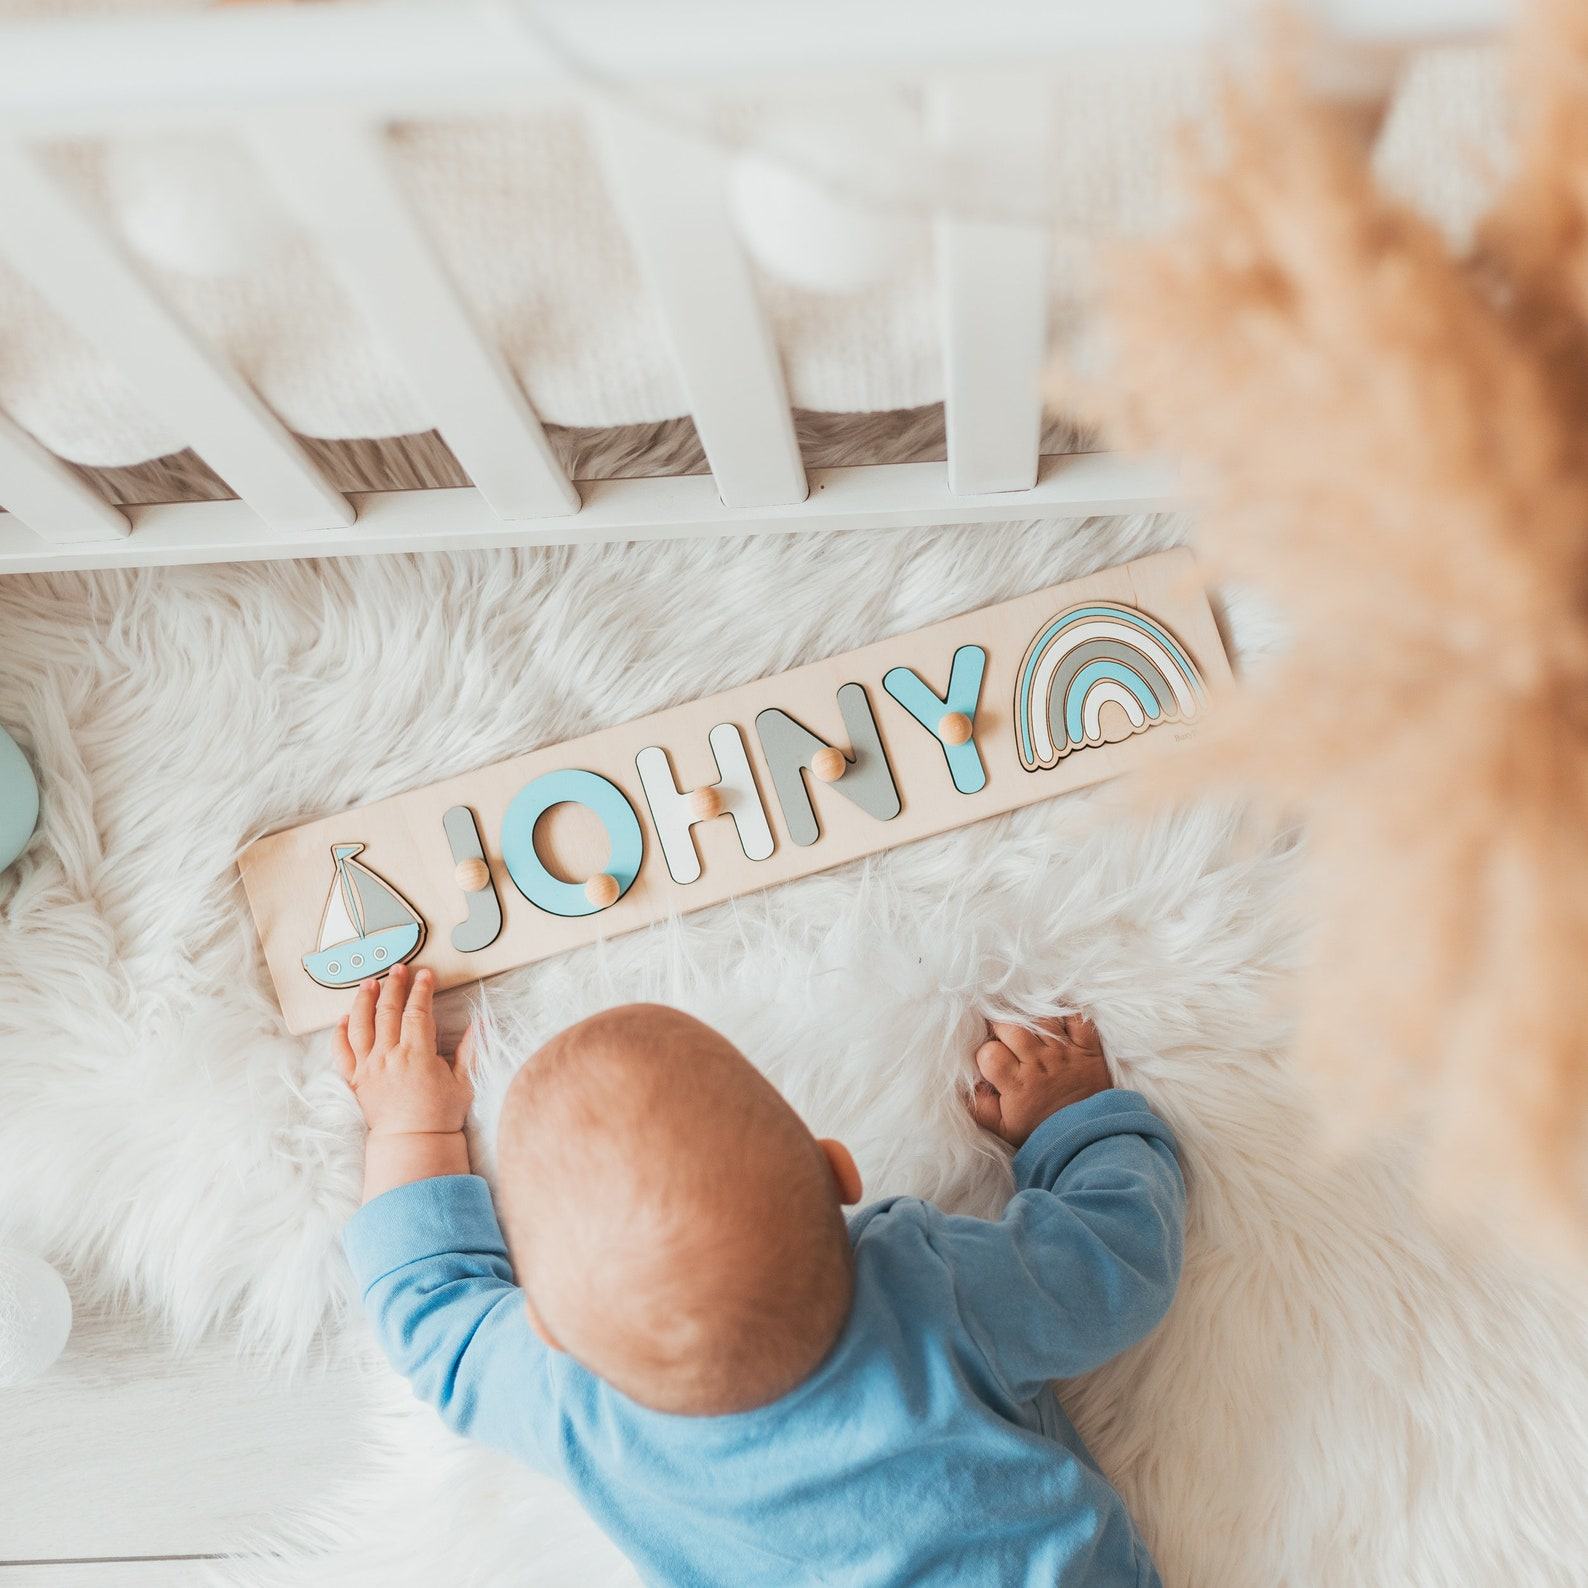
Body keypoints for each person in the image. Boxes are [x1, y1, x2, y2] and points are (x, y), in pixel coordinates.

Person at [338, 963, 1184, 1586]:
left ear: (549, 1326)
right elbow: (1118, 1258)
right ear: (840, 1174)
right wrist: (1074, 1119)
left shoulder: (575, 1403)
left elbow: (430, 1312)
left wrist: (411, 1128)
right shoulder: (930, 1293)